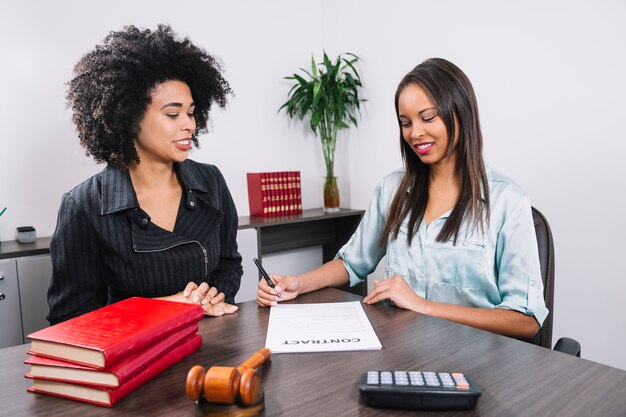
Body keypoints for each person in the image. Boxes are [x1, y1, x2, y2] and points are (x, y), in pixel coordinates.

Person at [257, 58, 548, 339]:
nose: (415, 133)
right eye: (405, 122)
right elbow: (352, 263)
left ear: (460, 112)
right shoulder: (392, 189)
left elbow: (525, 321)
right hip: (403, 352)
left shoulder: (506, 200)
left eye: (428, 117)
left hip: (476, 365)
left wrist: (422, 306)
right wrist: (298, 283)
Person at [47, 25, 242, 324]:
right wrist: (170, 308)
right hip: (135, 359)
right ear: (128, 117)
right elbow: (71, 319)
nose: (189, 124)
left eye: (191, 112)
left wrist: (216, 297)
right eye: (173, 114)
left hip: (210, 344)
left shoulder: (211, 181)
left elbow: (229, 264)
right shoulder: (85, 205)